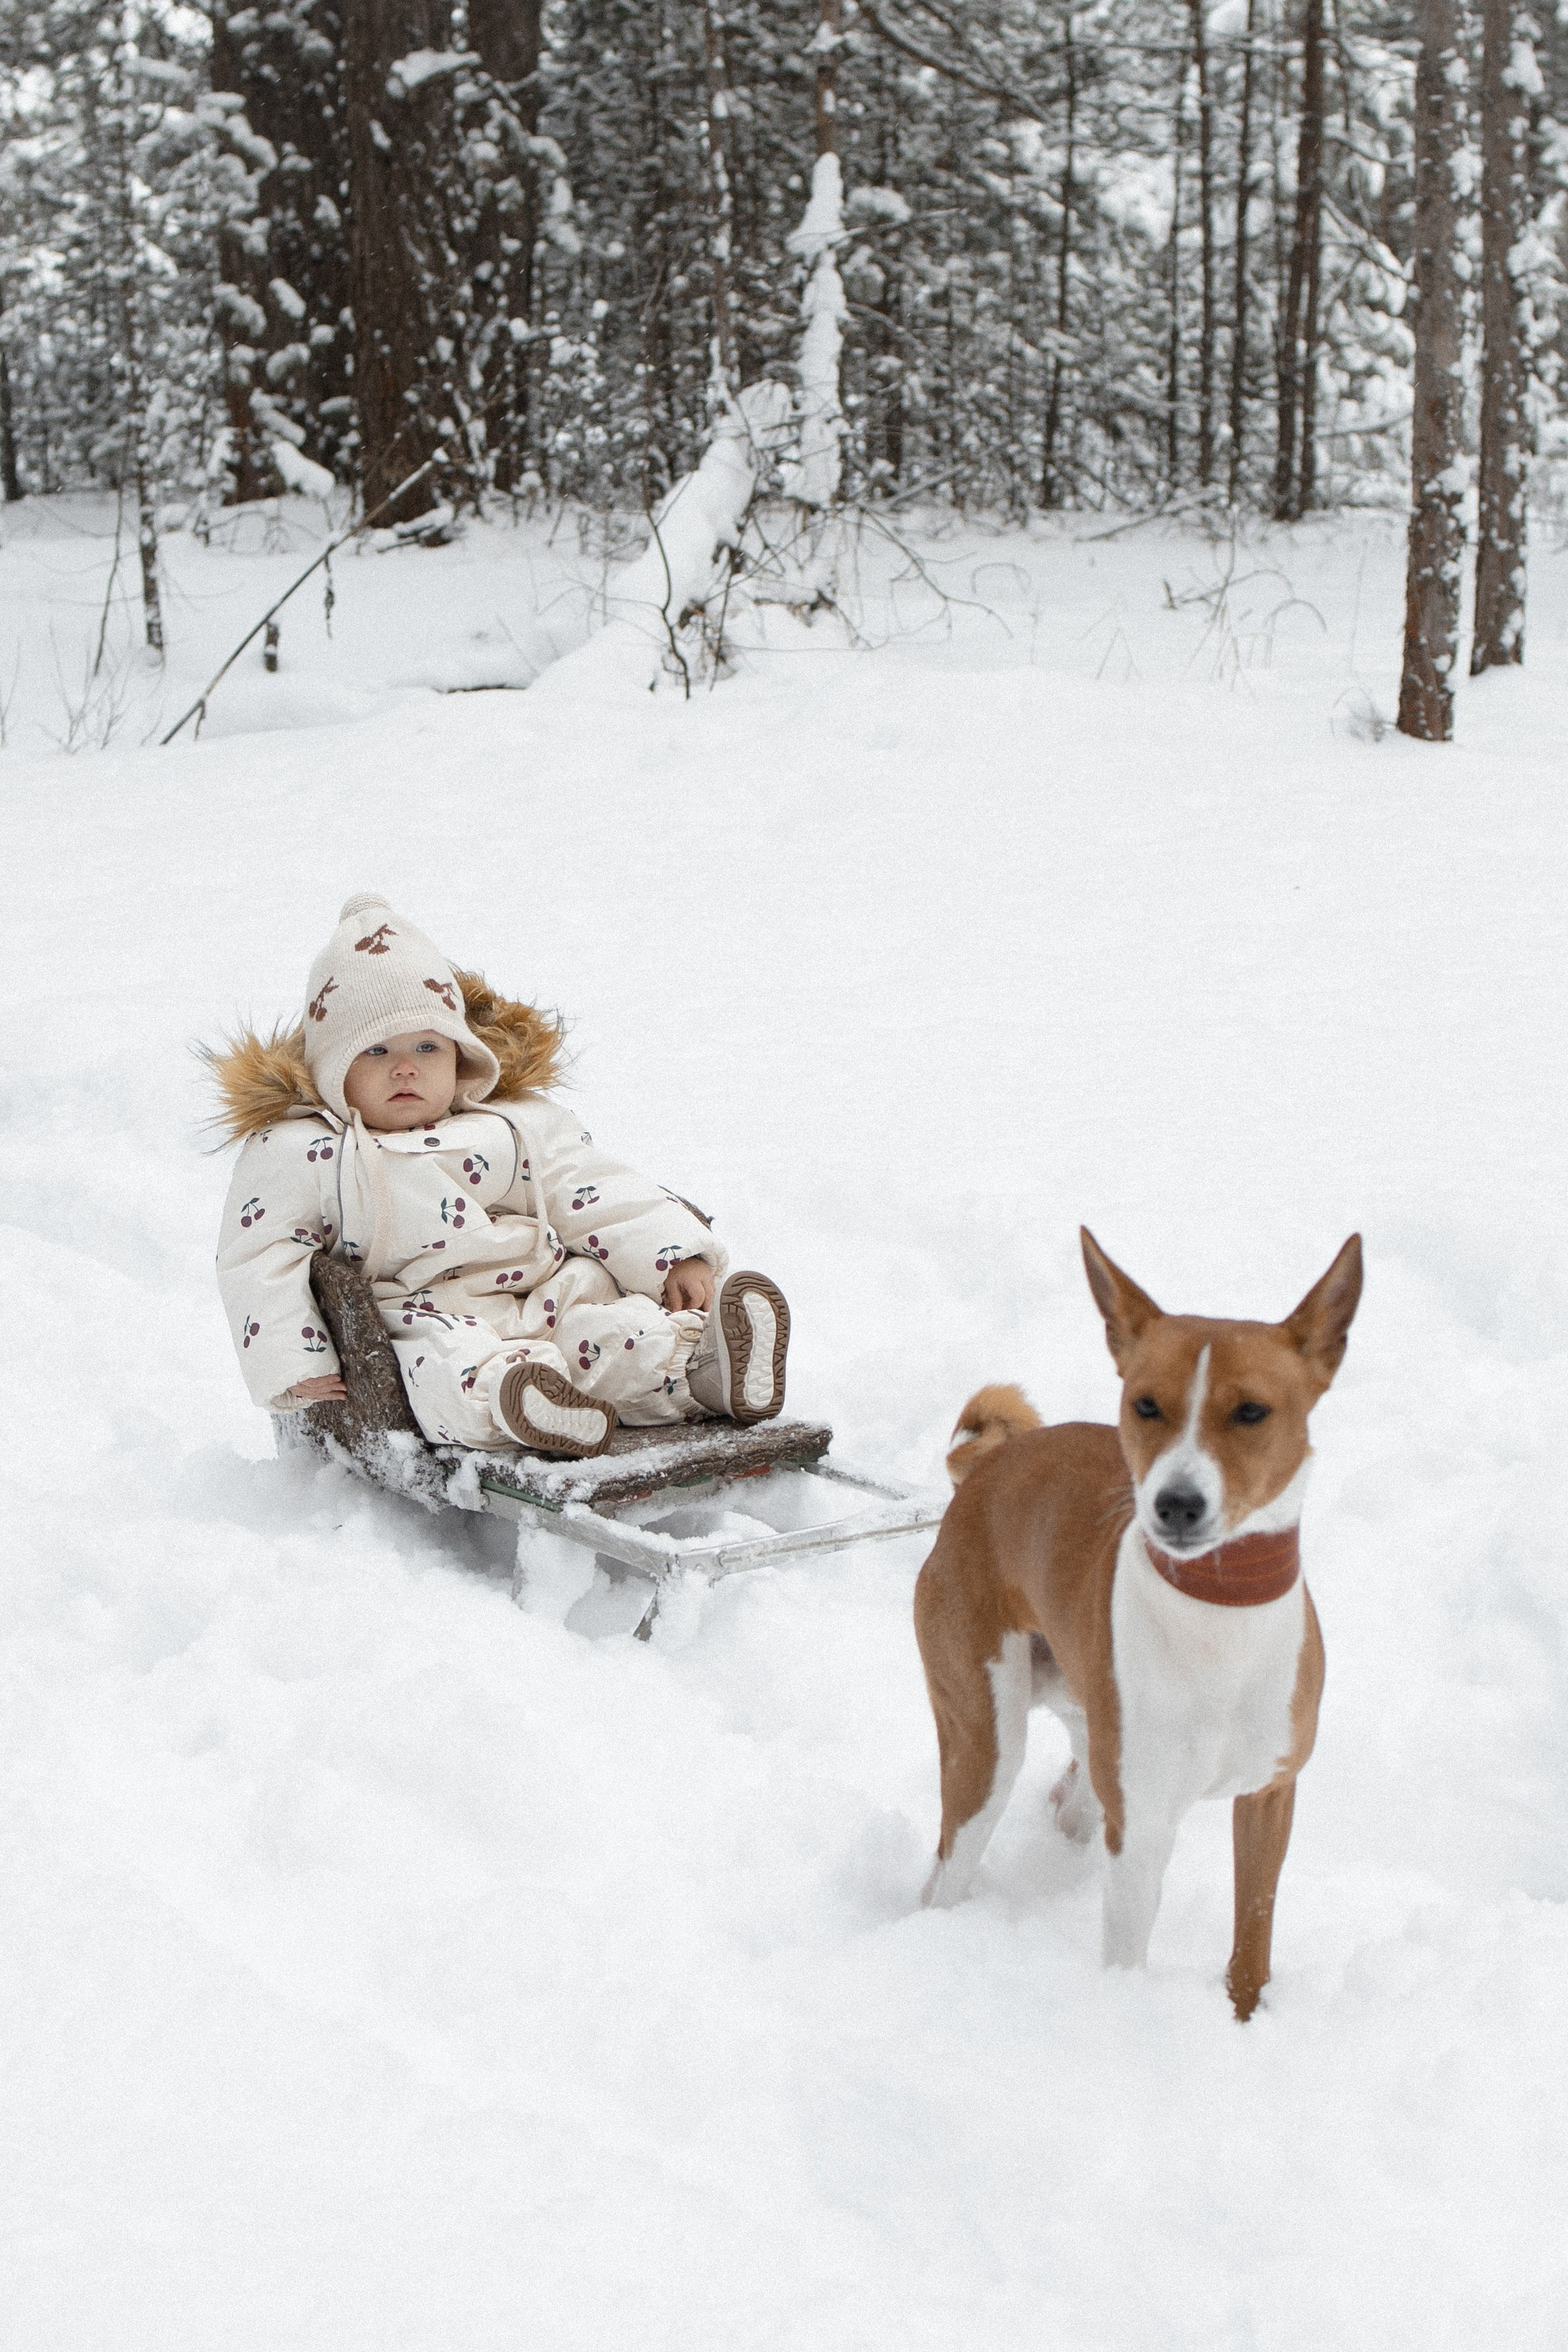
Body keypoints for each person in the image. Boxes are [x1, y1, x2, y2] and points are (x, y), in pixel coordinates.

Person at [209, 894, 789, 1458]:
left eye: (428, 1045)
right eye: (377, 1050)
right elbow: (260, 1254)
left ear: (461, 1055)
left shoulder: (516, 1123)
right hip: (423, 1308)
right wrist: (295, 1362)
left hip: (546, 1287)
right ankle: (523, 1405)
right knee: (443, 1367)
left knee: (610, 1327)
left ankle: (702, 1365)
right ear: (332, 1067)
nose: (406, 1066)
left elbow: (597, 1187)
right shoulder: (306, 1151)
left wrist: (675, 1254)